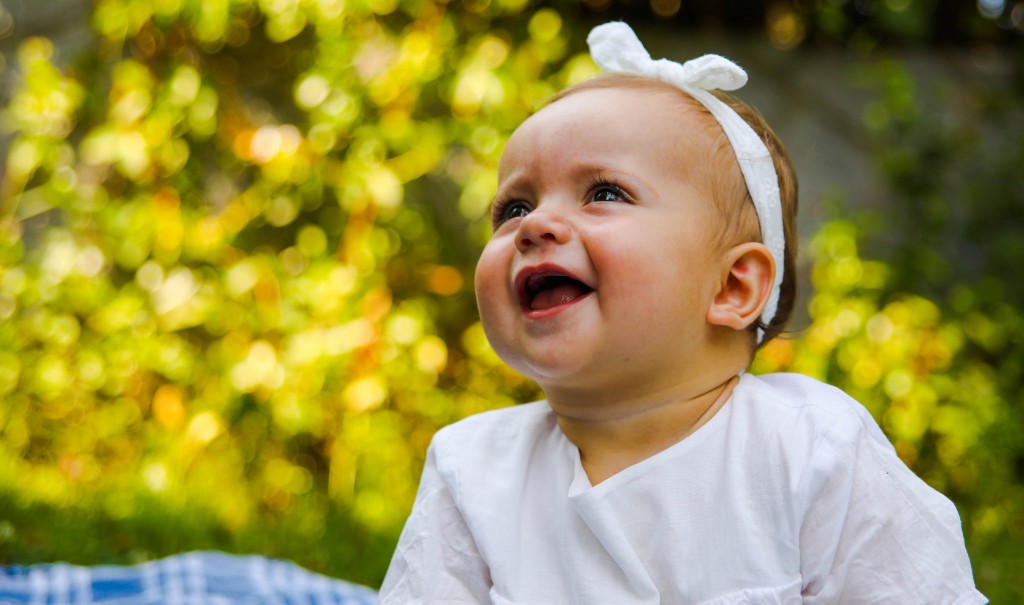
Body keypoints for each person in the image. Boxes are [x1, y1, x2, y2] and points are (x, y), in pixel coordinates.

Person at [378, 22, 987, 605]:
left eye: (605, 194)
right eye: (512, 207)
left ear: (731, 285)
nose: (534, 225)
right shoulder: (471, 468)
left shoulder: (810, 449)